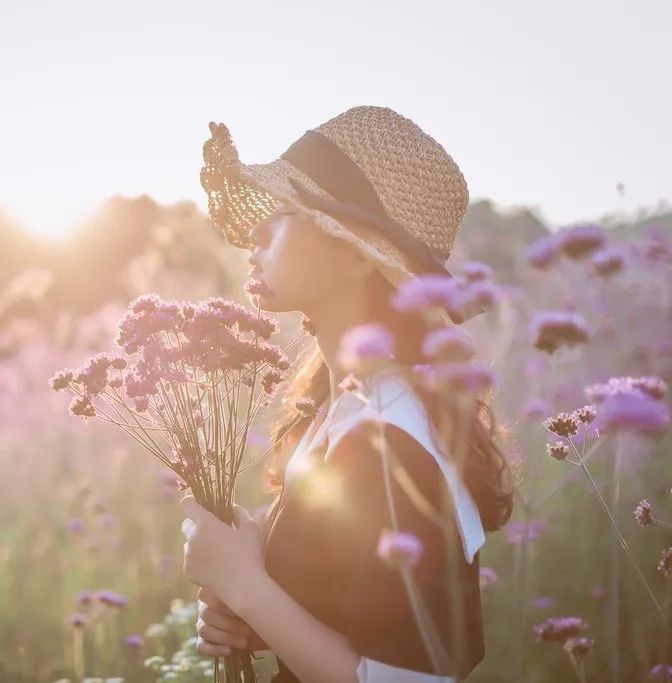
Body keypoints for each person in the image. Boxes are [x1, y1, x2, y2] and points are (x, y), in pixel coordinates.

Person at [180, 105, 515, 682]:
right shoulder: (345, 411)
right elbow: (354, 622)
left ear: (357, 253)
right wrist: (263, 601)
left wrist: (248, 586)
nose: (257, 236)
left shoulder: (390, 441)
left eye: (285, 213)